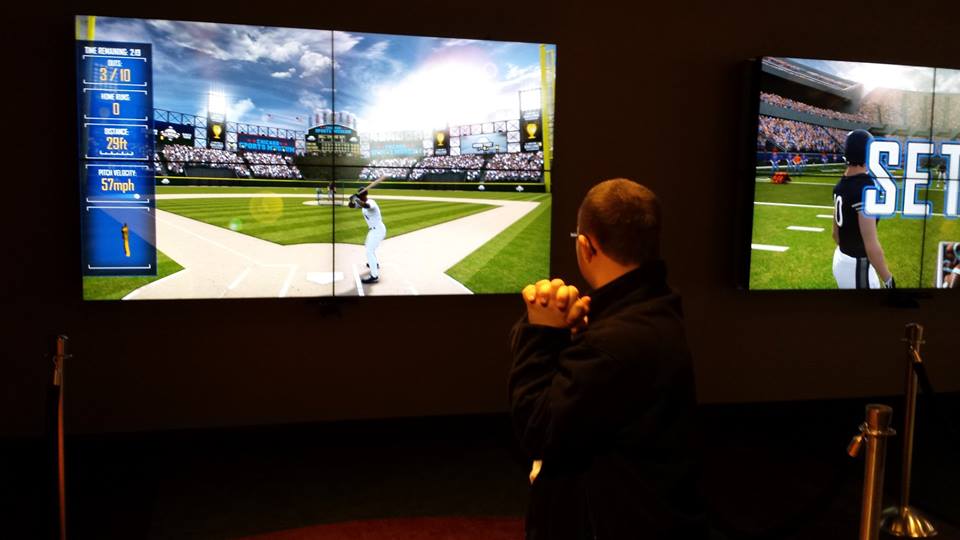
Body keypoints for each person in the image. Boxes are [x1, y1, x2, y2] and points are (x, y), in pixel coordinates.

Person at [508, 178, 706, 540]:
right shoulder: (654, 305)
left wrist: (540, 333)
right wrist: (570, 330)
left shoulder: (613, 342)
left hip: (609, 520)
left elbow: (537, 429)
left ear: (585, 246)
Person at [832, 129, 895, 289]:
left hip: (842, 259)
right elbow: (871, 245)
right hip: (856, 266)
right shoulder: (864, 187)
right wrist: (888, 279)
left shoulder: (842, 183)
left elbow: (835, 235)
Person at [350, 190, 385, 284]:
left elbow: (366, 206)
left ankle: (374, 276)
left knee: (369, 251)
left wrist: (356, 199)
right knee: (368, 246)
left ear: (364, 195)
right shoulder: (362, 203)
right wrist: (351, 200)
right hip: (373, 230)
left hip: (378, 230)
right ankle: (374, 264)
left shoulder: (370, 202)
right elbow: (352, 206)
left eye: (360, 195)